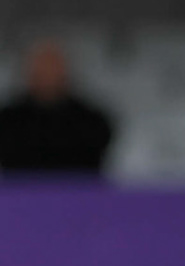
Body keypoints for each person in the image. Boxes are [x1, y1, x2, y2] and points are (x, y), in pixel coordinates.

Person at [0, 39, 114, 174]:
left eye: (53, 67)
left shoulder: (92, 122)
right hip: (20, 194)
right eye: (42, 68)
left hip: (78, 193)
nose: (48, 74)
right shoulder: (8, 121)